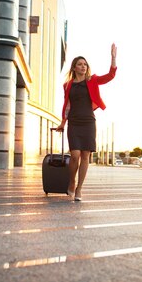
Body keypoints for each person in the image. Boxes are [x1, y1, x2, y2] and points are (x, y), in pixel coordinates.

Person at [56, 43, 117, 201]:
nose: (83, 66)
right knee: (75, 155)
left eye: (85, 64)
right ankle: (71, 181)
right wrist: (63, 122)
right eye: (80, 64)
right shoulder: (67, 85)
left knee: (85, 155)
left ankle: (79, 188)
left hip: (88, 122)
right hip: (74, 122)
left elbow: (110, 76)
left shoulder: (92, 80)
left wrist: (113, 58)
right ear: (74, 68)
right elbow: (67, 105)